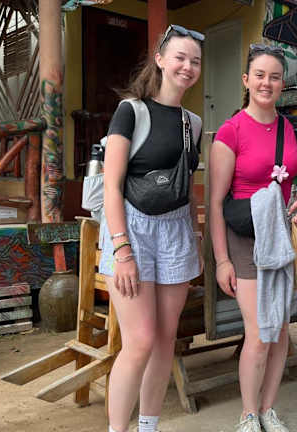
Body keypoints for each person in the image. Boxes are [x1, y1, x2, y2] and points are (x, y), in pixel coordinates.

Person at [99, 25, 205, 432]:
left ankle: (149, 426)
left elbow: (185, 186)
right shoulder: (131, 111)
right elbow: (112, 186)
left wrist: (194, 239)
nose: (187, 66)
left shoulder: (193, 123)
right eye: (179, 57)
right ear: (159, 60)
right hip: (133, 229)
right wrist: (122, 251)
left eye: (195, 61)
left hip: (176, 231)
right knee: (140, 340)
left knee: (164, 340)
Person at [208, 44, 297, 432]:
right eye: (259, 75)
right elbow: (215, 203)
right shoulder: (231, 131)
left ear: (283, 84)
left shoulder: (296, 129)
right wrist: (222, 260)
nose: (266, 83)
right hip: (246, 239)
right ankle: (249, 414)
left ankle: (269, 408)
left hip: (284, 236)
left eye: (274, 77)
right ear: (246, 80)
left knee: (282, 329)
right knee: (259, 331)